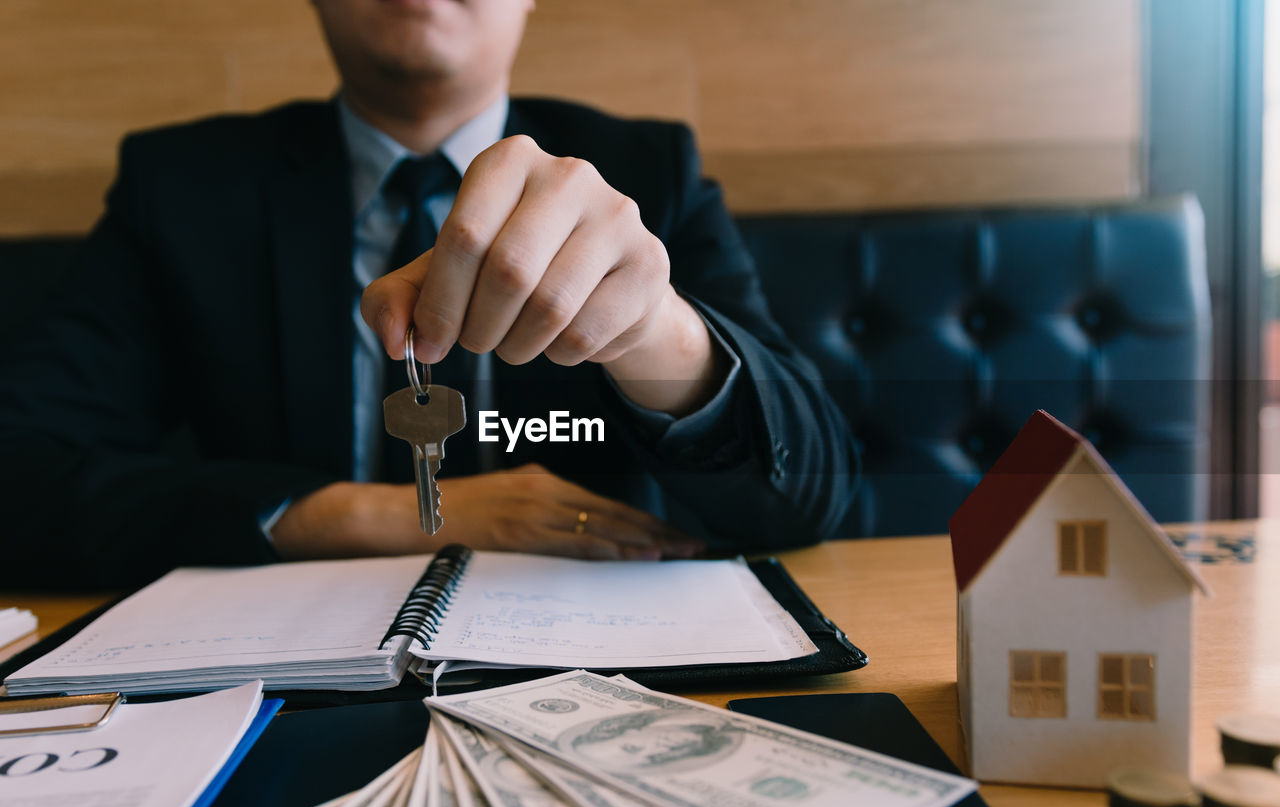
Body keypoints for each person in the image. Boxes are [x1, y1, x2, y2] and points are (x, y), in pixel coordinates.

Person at [0, 0, 857, 588]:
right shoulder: (182, 188)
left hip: (592, 663)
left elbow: (814, 493)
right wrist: (367, 518)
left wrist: (654, 333)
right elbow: (21, 472)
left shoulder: (646, 173)